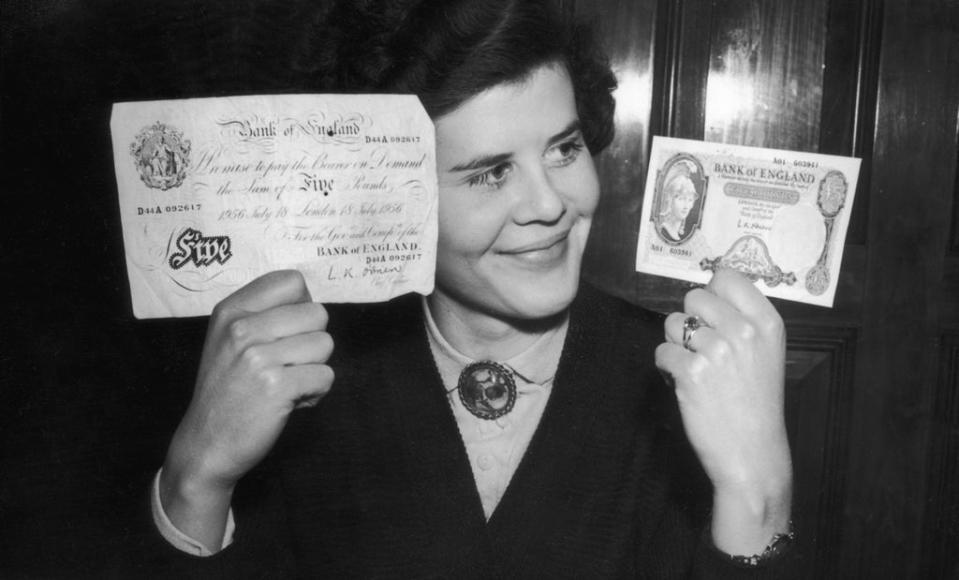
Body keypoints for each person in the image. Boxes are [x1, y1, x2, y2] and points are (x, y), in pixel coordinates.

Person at [141, 1, 798, 577]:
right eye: (489, 173)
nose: (549, 204)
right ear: (389, 197)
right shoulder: (300, 382)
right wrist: (197, 476)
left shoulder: (695, 381)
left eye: (564, 148)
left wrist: (758, 492)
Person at [657, 166, 700, 244]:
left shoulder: (676, 235)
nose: (686, 206)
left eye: (690, 200)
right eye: (681, 199)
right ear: (670, 200)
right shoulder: (664, 231)